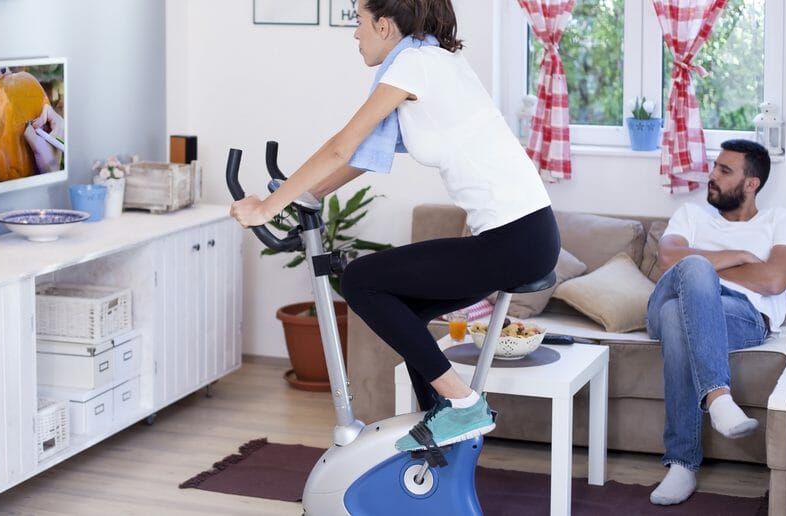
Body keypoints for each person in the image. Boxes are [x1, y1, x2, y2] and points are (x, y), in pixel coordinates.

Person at [230, 0, 559, 452]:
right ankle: (441, 428)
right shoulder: (433, 60)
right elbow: (366, 153)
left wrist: (268, 207)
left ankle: (463, 404)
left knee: (360, 280)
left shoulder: (414, 65)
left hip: (513, 239)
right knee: (408, 309)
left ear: (384, 25)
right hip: (528, 235)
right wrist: (309, 194)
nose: (355, 33)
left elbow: (342, 146)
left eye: (359, 22)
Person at [647, 139, 786, 505]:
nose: (712, 176)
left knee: (677, 315)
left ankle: (681, 465)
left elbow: (773, 280)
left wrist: (704, 272)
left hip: (742, 316)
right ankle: (719, 399)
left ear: (751, 184)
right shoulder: (691, 215)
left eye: (724, 170)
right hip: (666, 298)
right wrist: (737, 257)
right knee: (692, 270)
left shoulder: (781, 221)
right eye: (714, 167)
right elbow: (669, 260)